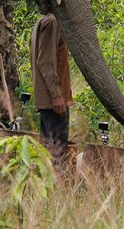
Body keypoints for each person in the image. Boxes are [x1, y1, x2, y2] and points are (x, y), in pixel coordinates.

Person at [30, 13, 75, 168]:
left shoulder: (44, 20)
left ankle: (47, 187)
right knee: (56, 154)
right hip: (54, 101)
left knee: (47, 151)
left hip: (51, 101)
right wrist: (56, 95)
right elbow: (45, 61)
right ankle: (55, 188)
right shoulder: (52, 22)